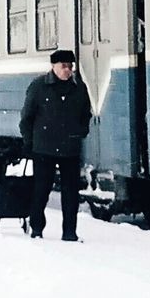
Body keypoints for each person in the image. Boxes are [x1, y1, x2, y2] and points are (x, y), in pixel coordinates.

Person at [19, 48, 91, 241]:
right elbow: (26, 117)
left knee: (71, 194)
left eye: (70, 66)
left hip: (70, 148)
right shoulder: (38, 87)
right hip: (44, 149)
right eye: (63, 66)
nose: (67, 70)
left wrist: (80, 131)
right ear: (53, 66)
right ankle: (37, 229)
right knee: (41, 190)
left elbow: (86, 113)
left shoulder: (79, 88)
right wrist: (29, 142)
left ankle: (70, 232)